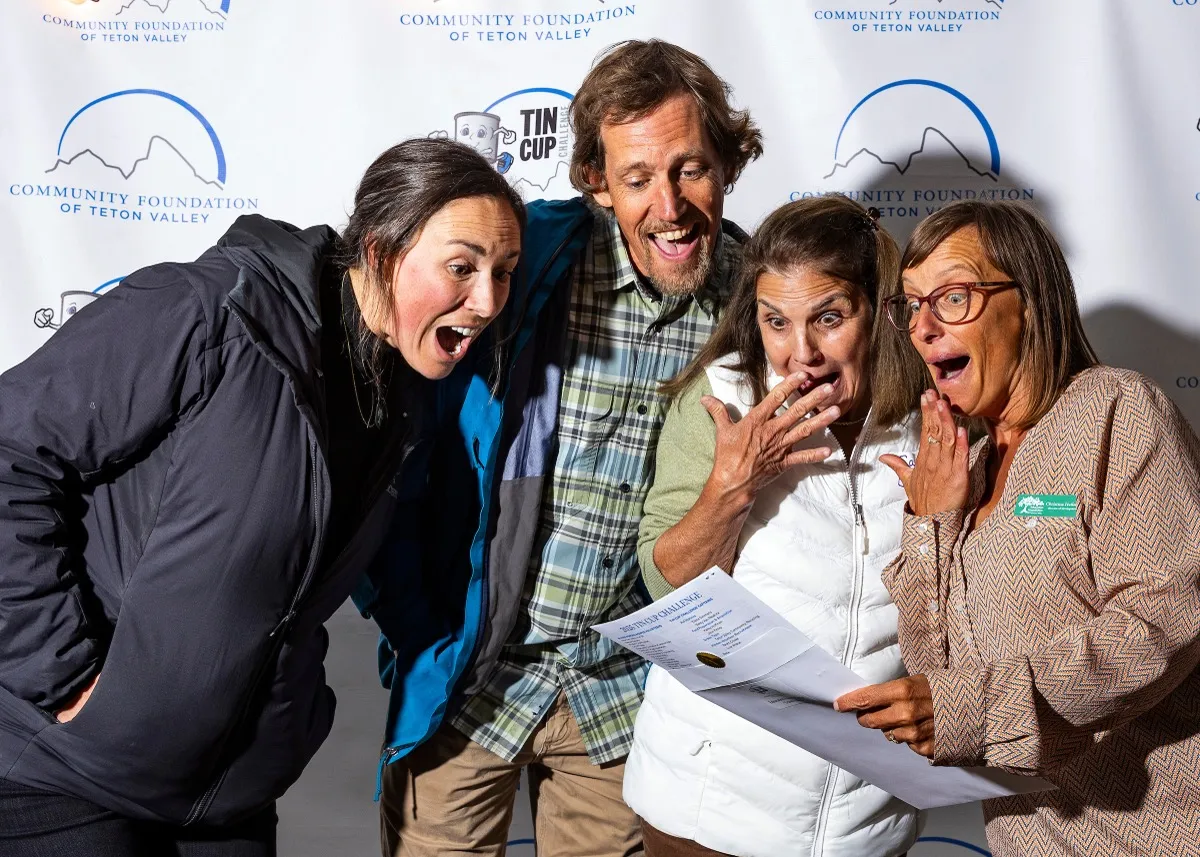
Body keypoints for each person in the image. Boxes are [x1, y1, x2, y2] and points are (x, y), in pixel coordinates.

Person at [0, 138, 525, 856]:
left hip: (229, 790)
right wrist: (62, 674)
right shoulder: (208, 314)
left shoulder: (400, 393)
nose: (488, 299)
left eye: (505, 272)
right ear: (378, 249)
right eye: (462, 267)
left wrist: (294, 715)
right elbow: (10, 456)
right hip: (69, 771)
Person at [356, 39, 762, 857]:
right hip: (474, 679)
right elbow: (397, 433)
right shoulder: (521, 260)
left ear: (727, 163)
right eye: (639, 177)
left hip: (622, 693)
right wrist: (421, 625)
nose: (670, 205)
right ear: (596, 182)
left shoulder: (757, 297)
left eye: (691, 168)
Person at [834, 200, 1200, 856]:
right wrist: (930, 523)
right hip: (1026, 840)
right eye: (912, 305)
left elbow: (1162, 620)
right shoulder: (964, 466)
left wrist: (968, 708)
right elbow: (936, 670)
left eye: (952, 297)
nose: (922, 327)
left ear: (1028, 300)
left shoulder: (1116, 411)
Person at [622, 197, 926, 857]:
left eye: (829, 317)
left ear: (879, 311)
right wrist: (731, 486)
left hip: (866, 819)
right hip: (711, 808)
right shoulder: (721, 400)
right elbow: (665, 586)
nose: (801, 353)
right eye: (776, 322)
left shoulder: (933, 416)